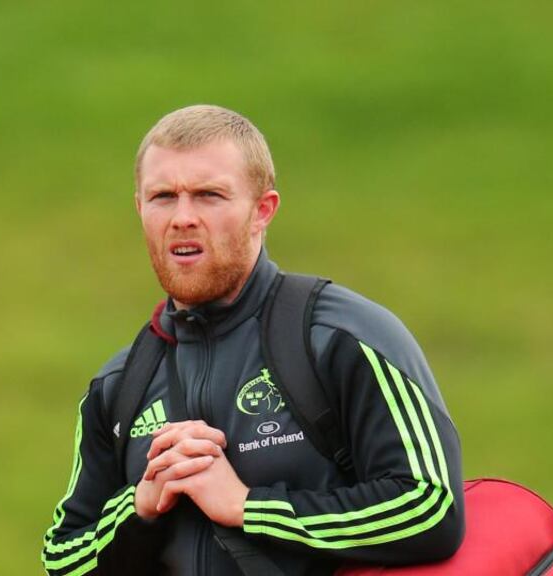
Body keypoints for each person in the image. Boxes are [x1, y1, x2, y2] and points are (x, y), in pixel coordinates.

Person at [41, 105, 464, 575]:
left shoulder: (341, 338)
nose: (183, 217)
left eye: (209, 195)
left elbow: (430, 508)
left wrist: (248, 508)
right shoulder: (119, 385)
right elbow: (62, 559)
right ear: (141, 208)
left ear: (262, 210)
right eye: (163, 196)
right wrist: (140, 506)